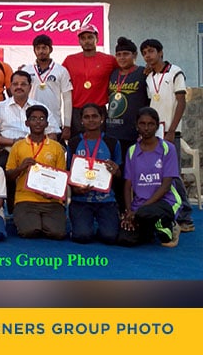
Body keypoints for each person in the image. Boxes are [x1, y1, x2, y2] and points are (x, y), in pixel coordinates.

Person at [139, 38, 194, 232]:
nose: (148, 55)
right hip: (153, 132)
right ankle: (165, 211)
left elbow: (181, 102)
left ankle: (186, 217)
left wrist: (172, 130)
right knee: (157, 174)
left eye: (151, 51)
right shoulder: (148, 77)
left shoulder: (175, 72)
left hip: (171, 132)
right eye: (145, 52)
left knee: (173, 175)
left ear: (161, 52)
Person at [0, 70, 55, 211]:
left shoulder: (40, 107)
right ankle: (12, 207)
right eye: (15, 84)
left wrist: (40, 146)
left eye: (23, 84)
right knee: (2, 168)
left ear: (30, 87)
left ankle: (42, 205)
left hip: (37, 149)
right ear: (10, 87)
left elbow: (53, 132)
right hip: (9, 149)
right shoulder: (0, 107)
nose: (19, 87)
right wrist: (14, 142)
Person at [118, 107, 182, 248]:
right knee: (125, 239)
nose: (146, 128)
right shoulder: (132, 151)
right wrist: (129, 212)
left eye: (151, 124)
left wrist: (139, 212)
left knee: (145, 214)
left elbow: (166, 186)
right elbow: (128, 184)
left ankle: (169, 225)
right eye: (142, 124)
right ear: (136, 126)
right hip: (139, 206)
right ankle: (150, 228)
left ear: (157, 126)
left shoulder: (168, 149)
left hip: (166, 201)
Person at [5, 105, 67, 240]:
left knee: (57, 234)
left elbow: (62, 178)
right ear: (27, 123)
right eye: (33, 119)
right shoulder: (18, 146)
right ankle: (36, 221)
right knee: (29, 232)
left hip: (51, 201)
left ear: (47, 123)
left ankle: (44, 221)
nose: (38, 122)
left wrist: (52, 193)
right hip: (25, 200)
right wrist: (21, 168)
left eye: (41, 118)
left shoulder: (56, 147)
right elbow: (8, 176)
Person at [66, 103, 122, 244]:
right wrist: (75, 189)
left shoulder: (112, 142)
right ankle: (83, 226)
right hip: (81, 200)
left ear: (102, 118)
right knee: (82, 237)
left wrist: (116, 171)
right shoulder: (73, 143)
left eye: (95, 116)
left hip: (106, 200)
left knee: (110, 237)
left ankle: (104, 225)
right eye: (87, 117)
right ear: (81, 120)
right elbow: (68, 173)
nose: (91, 120)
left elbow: (120, 174)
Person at [106, 36, 149, 210]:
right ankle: (119, 209)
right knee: (115, 173)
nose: (122, 58)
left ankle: (136, 209)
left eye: (126, 54)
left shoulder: (143, 73)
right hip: (113, 131)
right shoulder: (114, 74)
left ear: (135, 55)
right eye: (119, 54)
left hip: (133, 133)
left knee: (133, 174)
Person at [62, 23, 118, 136]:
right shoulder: (69, 60)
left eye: (90, 37)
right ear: (79, 41)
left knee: (100, 146)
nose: (87, 41)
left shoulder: (109, 60)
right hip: (77, 110)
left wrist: (147, 69)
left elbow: (125, 71)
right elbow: (57, 74)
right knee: (78, 147)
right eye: (83, 38)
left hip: (99, 109)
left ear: (97, 39)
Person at [20, 34, 72, 142]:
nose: (41, 51)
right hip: (30, 121)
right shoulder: (26, 70)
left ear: (51, 49)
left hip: (53, 122)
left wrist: (67, 125)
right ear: (34, 50)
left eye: (44, 48)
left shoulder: (61, 70)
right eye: (38, 48)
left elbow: (67, 98)